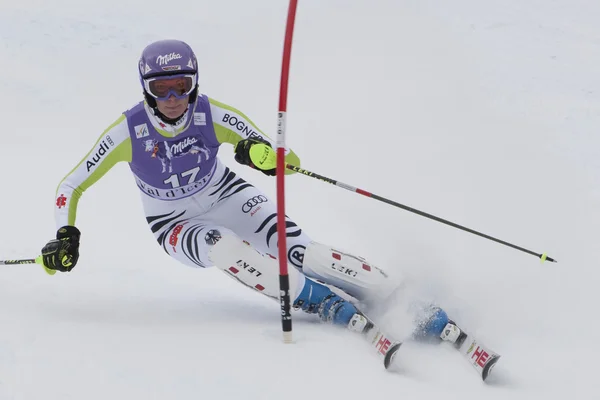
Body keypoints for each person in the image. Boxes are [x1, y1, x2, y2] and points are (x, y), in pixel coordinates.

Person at [40, 39, 459, 344]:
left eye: (182, 86)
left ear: (194, 83)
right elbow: (70, 183)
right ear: (145, 88)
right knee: (223, 246)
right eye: (160, 88)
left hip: (228, 194)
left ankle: (392, 291)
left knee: (304, 253)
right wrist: (65, 234)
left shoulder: (212, 114)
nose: (172, 99)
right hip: (173, 222)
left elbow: (288, 160)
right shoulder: (127, 131)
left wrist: (260, 155)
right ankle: (314, 300)